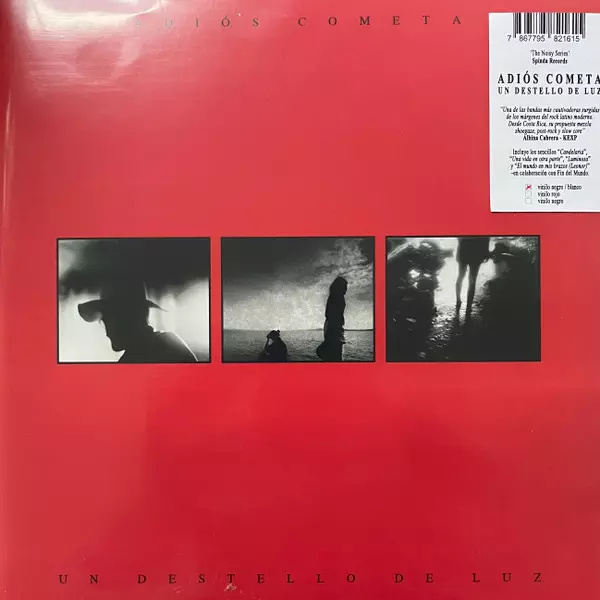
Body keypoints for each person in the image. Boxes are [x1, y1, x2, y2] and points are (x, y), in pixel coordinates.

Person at [77, 279, 198, 363]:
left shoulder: (167, 349)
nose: (107, 333)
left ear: (130, 318)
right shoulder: (170, 345)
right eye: (104, 321)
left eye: (110, 320)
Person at [455, 237, 490, 313]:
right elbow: (486, 236)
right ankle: (468, 306)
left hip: (464, 248)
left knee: (460, 276)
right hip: (477, 250)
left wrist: (460, 244)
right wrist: (486, 251)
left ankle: (458, 300)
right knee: (472, 280)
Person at [316, 276, 348, 362]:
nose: (346, 289)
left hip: (330, 325)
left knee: (331, 354)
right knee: (335, 355)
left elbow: (328, 314)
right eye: (345, 287)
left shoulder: (333, 296)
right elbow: (333, 315)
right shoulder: (338, 297)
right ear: (339, 287)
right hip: (333, 326)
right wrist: (337, 331)